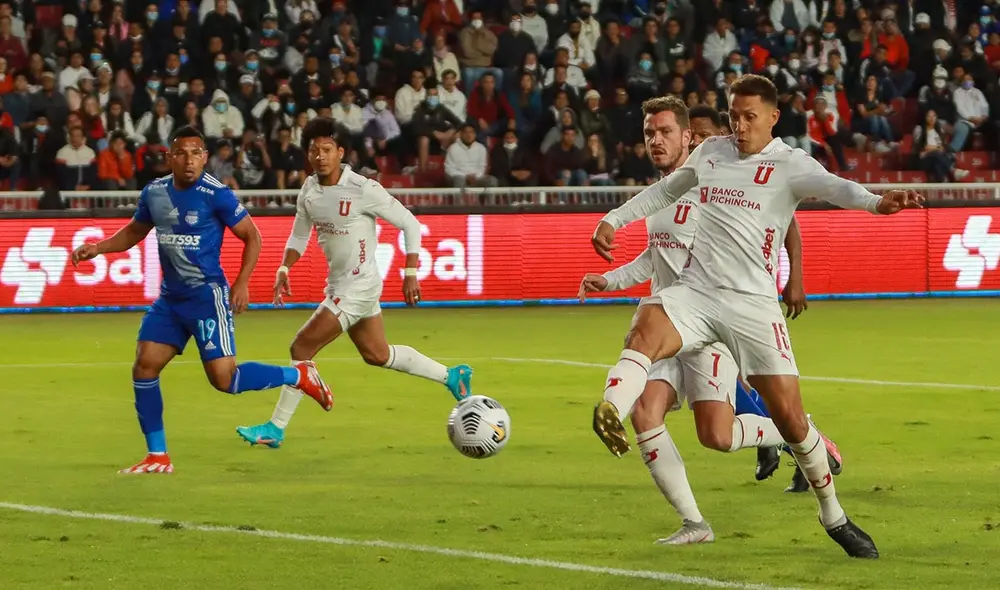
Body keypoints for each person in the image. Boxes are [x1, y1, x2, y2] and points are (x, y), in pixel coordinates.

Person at [589, 75, 924, 559]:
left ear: (772, 118)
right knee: (647, 324)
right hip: (697, 292)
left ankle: (833, 513)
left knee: (789, 419)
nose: (739, 126)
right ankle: (611, 410)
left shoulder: (790, 165)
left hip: (753, 306)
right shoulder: (712, 153)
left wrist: (877, 202)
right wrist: (613, 220)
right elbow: (663, 193)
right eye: (733, 116)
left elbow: (837, 188)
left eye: (749, 117)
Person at [578, 101, 838, 543]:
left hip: (709, 328)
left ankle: (801, 435)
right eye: (649, 133)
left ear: (688, 139)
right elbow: (655, 256)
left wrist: (793, 273)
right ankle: (695, 523)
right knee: (645, 413)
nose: (655, 141)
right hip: (669, 321)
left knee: (716, 436)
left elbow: (782, 215)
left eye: (664, 132)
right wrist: (612, 279)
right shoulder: (663, 194)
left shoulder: (715, 190)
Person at [69, 126, 334, 474]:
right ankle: (157, 456)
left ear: (205, 157)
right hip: (170, 299)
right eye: (181, 153)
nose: (189, 160)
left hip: (207, 297)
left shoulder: (217, 194)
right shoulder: (155, 192)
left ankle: (297, 376)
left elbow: (252, 237)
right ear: (170, 158)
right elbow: (135, 231)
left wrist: (241, 283)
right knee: (145, 365)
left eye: (196, 153)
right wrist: (98, 247)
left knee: (225, 380)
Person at [236, 118, 473, 449]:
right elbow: (299, 235)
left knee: (300, 348)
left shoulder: (363, 189)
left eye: (327, 149)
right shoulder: (309, 190)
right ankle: (452, 376)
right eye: (314, 150)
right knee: (377, 354)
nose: (320, 156)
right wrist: (284, 268)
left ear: (341, 153)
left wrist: (410, 273)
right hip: (340, 285)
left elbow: (411, 224)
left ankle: (275, 428)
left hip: (358, 287)